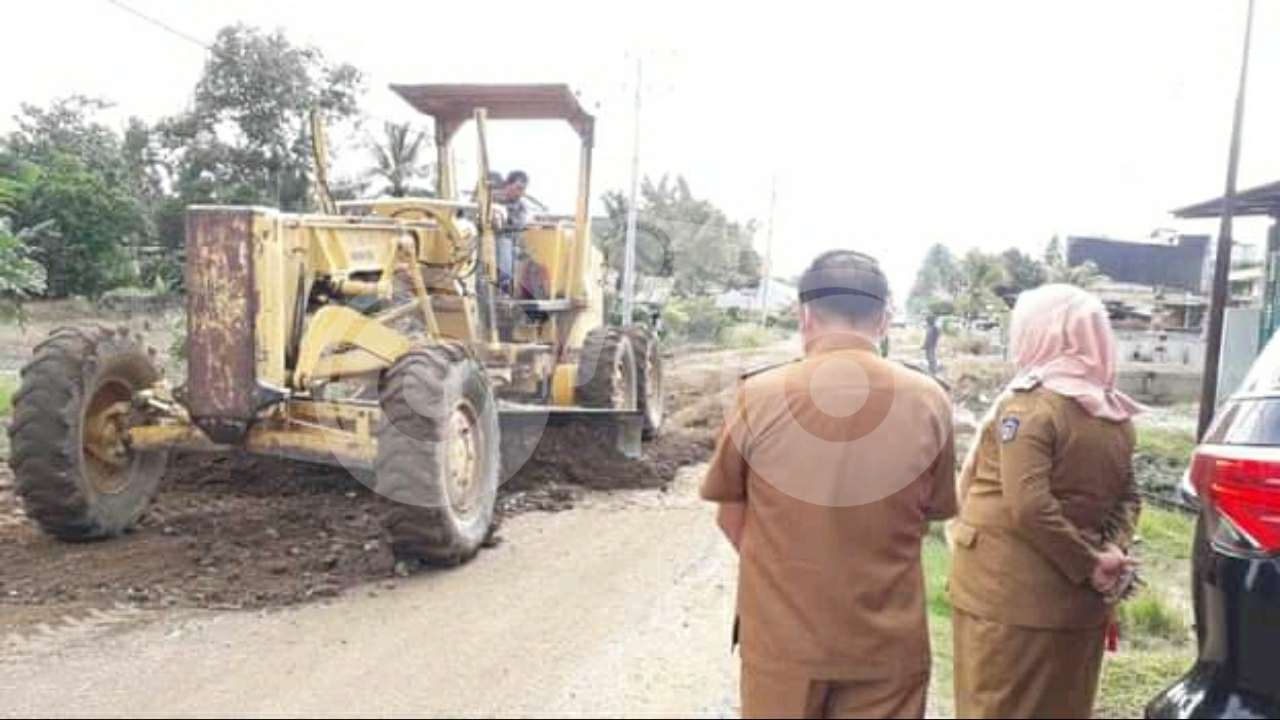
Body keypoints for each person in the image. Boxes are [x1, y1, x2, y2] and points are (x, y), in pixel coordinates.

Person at [701, 249, 956, 719]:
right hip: (887, 646)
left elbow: (731, 516)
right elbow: (932, 512)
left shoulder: (757, 396)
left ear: (805, 317)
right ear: (883, 320)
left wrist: (791, 570)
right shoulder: (930, 401)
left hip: (784, 644)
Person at [947, 284, 1142, 719]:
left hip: (1010, 600)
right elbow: (1128, 498)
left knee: (993, 705)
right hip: (1079, 606)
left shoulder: (1033, 407)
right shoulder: (1113, 416)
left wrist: (1090, 562)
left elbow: (1028, 504)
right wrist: (1111, 551)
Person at [495, 170, 529, 295]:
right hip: (485, 242)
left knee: (507, 246)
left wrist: (505, 220)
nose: (521, 193)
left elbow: (519, 225)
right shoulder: (490, 200)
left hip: (510, 243)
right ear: (507, 185)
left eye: (523, 190)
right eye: (518, 188)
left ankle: (504, 290)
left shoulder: (522, 207)